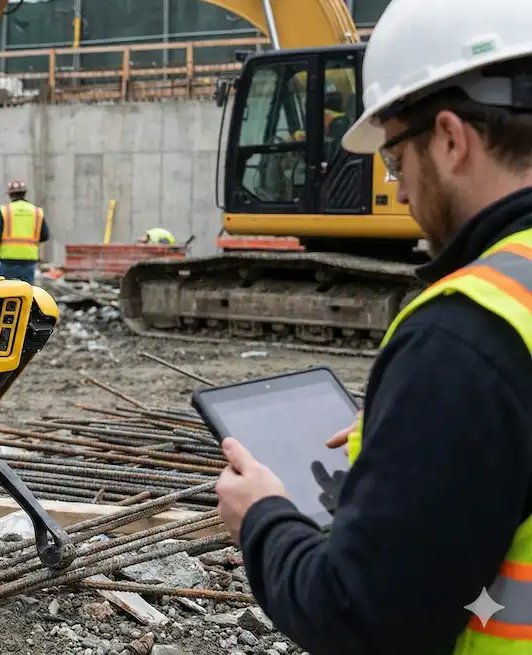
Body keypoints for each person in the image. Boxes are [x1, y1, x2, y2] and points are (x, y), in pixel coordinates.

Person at [214, 1, 532, 654]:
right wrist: (420, 434)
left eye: (394, 158)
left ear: (449, 139)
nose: (402, 191)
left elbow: (364, 618)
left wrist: (264, 518)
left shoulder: (464, 335)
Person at [0, 180, 50, 284]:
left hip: (8, 262)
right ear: (25, 193)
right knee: (26, 294)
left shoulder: (5, 211)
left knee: (7, 294)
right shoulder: (37, 212)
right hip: (29, 262)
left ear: (10, 194)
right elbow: (45, 235)